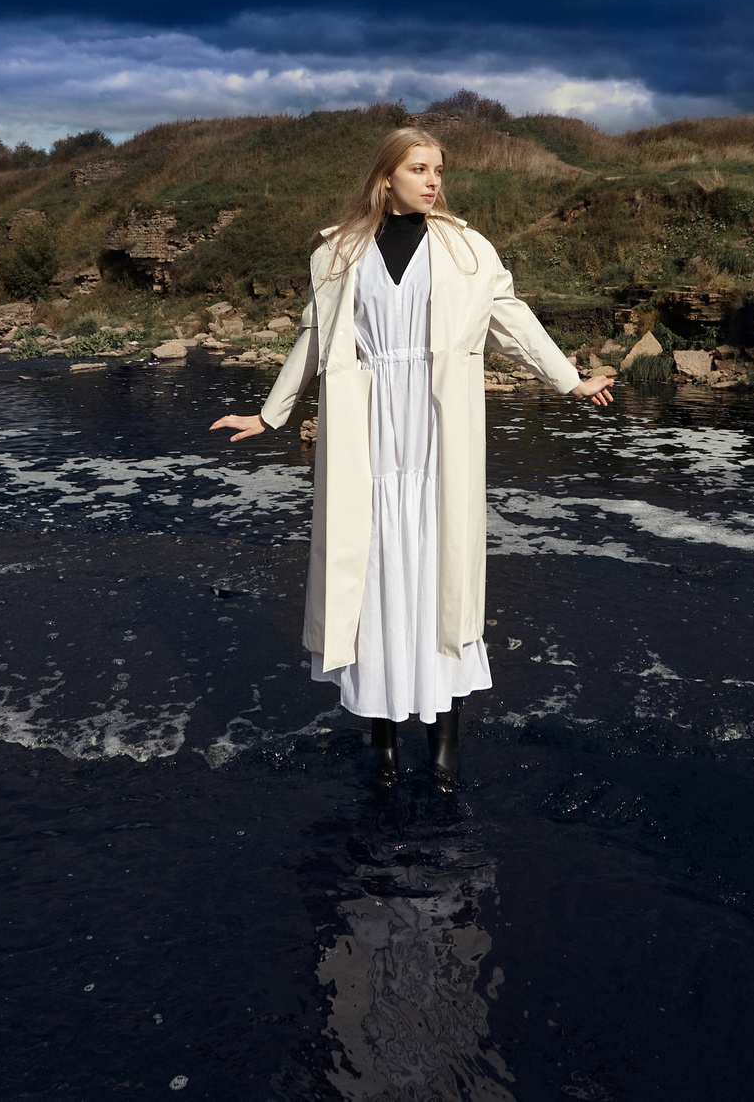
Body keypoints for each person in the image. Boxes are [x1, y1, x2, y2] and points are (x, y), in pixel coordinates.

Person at [211, 128, 615, 792]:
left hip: (438, 433)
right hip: (366, 436)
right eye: (419, 168)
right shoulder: (337, 253)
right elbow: (312, 342)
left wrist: (568, 379)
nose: (433, 180)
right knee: (370, 580)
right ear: (385, 177)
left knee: (440, 577)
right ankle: (384, 742)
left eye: (438, 169)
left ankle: (447, 747)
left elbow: (511, 320)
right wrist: (270, 413)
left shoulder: (468, 249)